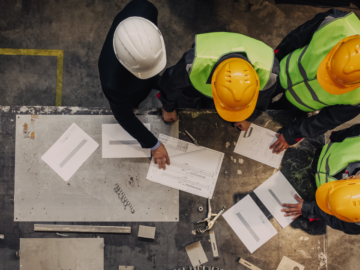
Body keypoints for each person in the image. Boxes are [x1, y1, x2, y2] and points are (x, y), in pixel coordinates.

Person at [269, 9, 360, 154]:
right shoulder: (336, 22)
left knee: (273, 119)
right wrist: (273, 63)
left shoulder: (358, 98)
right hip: (282, 70)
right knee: (261, 96)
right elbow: (295, 38)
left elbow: (328, 120)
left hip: (299, 104)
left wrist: (292, 134)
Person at [98, 0, 170, 169]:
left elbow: (150, 72)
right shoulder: (113, 82)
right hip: (126, 86)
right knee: (132, 104)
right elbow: (124, 116)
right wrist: (154, 145)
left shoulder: (146, 9)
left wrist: (168, 100)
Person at [158, 32, 279, 129]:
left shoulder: (269, 73)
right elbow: (170, 84)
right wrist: (168, 108)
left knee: (213, 109)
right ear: (213, 84)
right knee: (186, 102)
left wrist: (248, 117)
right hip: (196, 81)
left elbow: (263, 99)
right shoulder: (193, 64)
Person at [282, 124, 360, 234]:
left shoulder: (356, 221)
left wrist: (311, 208)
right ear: (352, 178)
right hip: (321, 153)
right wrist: (335, 138)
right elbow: (350, 133)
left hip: (316, 185)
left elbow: (336, 219)